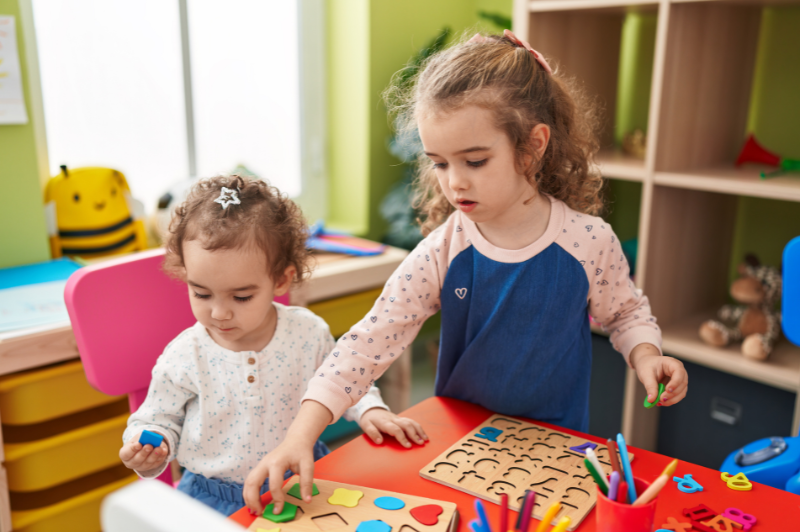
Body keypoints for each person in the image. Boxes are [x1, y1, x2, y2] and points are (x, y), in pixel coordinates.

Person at [243, 30, 688, 514]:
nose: (454, 181)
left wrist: (647, 356)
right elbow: (369, 341)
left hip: (558, 446)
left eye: (475, 161)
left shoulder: (588, 241)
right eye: (438, 163)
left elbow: (624, 314)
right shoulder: (444, 248)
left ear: (532, 146)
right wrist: (300, 435)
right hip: (461, 443)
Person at [119, 175, 426, 516]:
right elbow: (158, 419)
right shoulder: (183, 355)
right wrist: (150, 444)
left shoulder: (306, 331)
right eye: (201, 293)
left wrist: (371, 409)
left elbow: (342, 378)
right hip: (211, 499)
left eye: (242, 296)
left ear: (281, 280)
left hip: (303, 482)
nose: (219, 312)